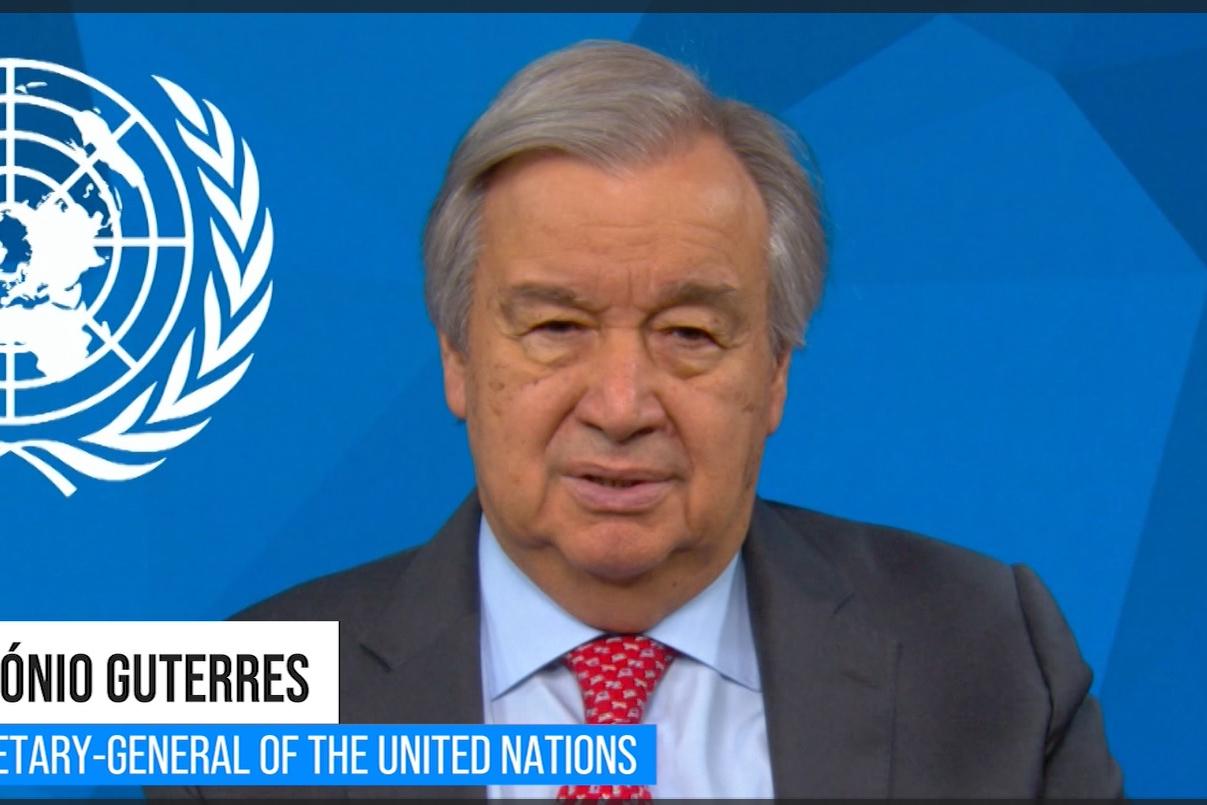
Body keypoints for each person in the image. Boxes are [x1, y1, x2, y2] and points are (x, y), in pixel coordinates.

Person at [164, 40, 1124, 799]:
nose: (621, 406)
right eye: (555, 327)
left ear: (775, 371)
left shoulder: (993, 657)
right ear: (457, 356)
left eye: (689, 333)